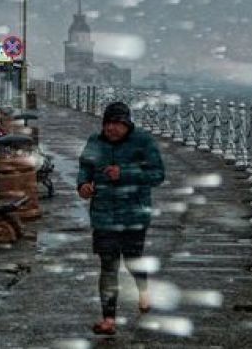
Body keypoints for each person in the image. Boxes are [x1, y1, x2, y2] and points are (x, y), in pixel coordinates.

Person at [77, 101, 165, 335]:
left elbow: (158, 174)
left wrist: (124, 174)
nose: (111, 128)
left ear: (127, 124)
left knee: (133, 259)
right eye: (108, 123)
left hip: (134, 214)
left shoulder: (143, 141)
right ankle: (108, 320)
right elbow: (85, 168)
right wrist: (83, 185)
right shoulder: (95, 142)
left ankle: (143, 291)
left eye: (117, 124)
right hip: (103, 215)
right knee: (108, 266)